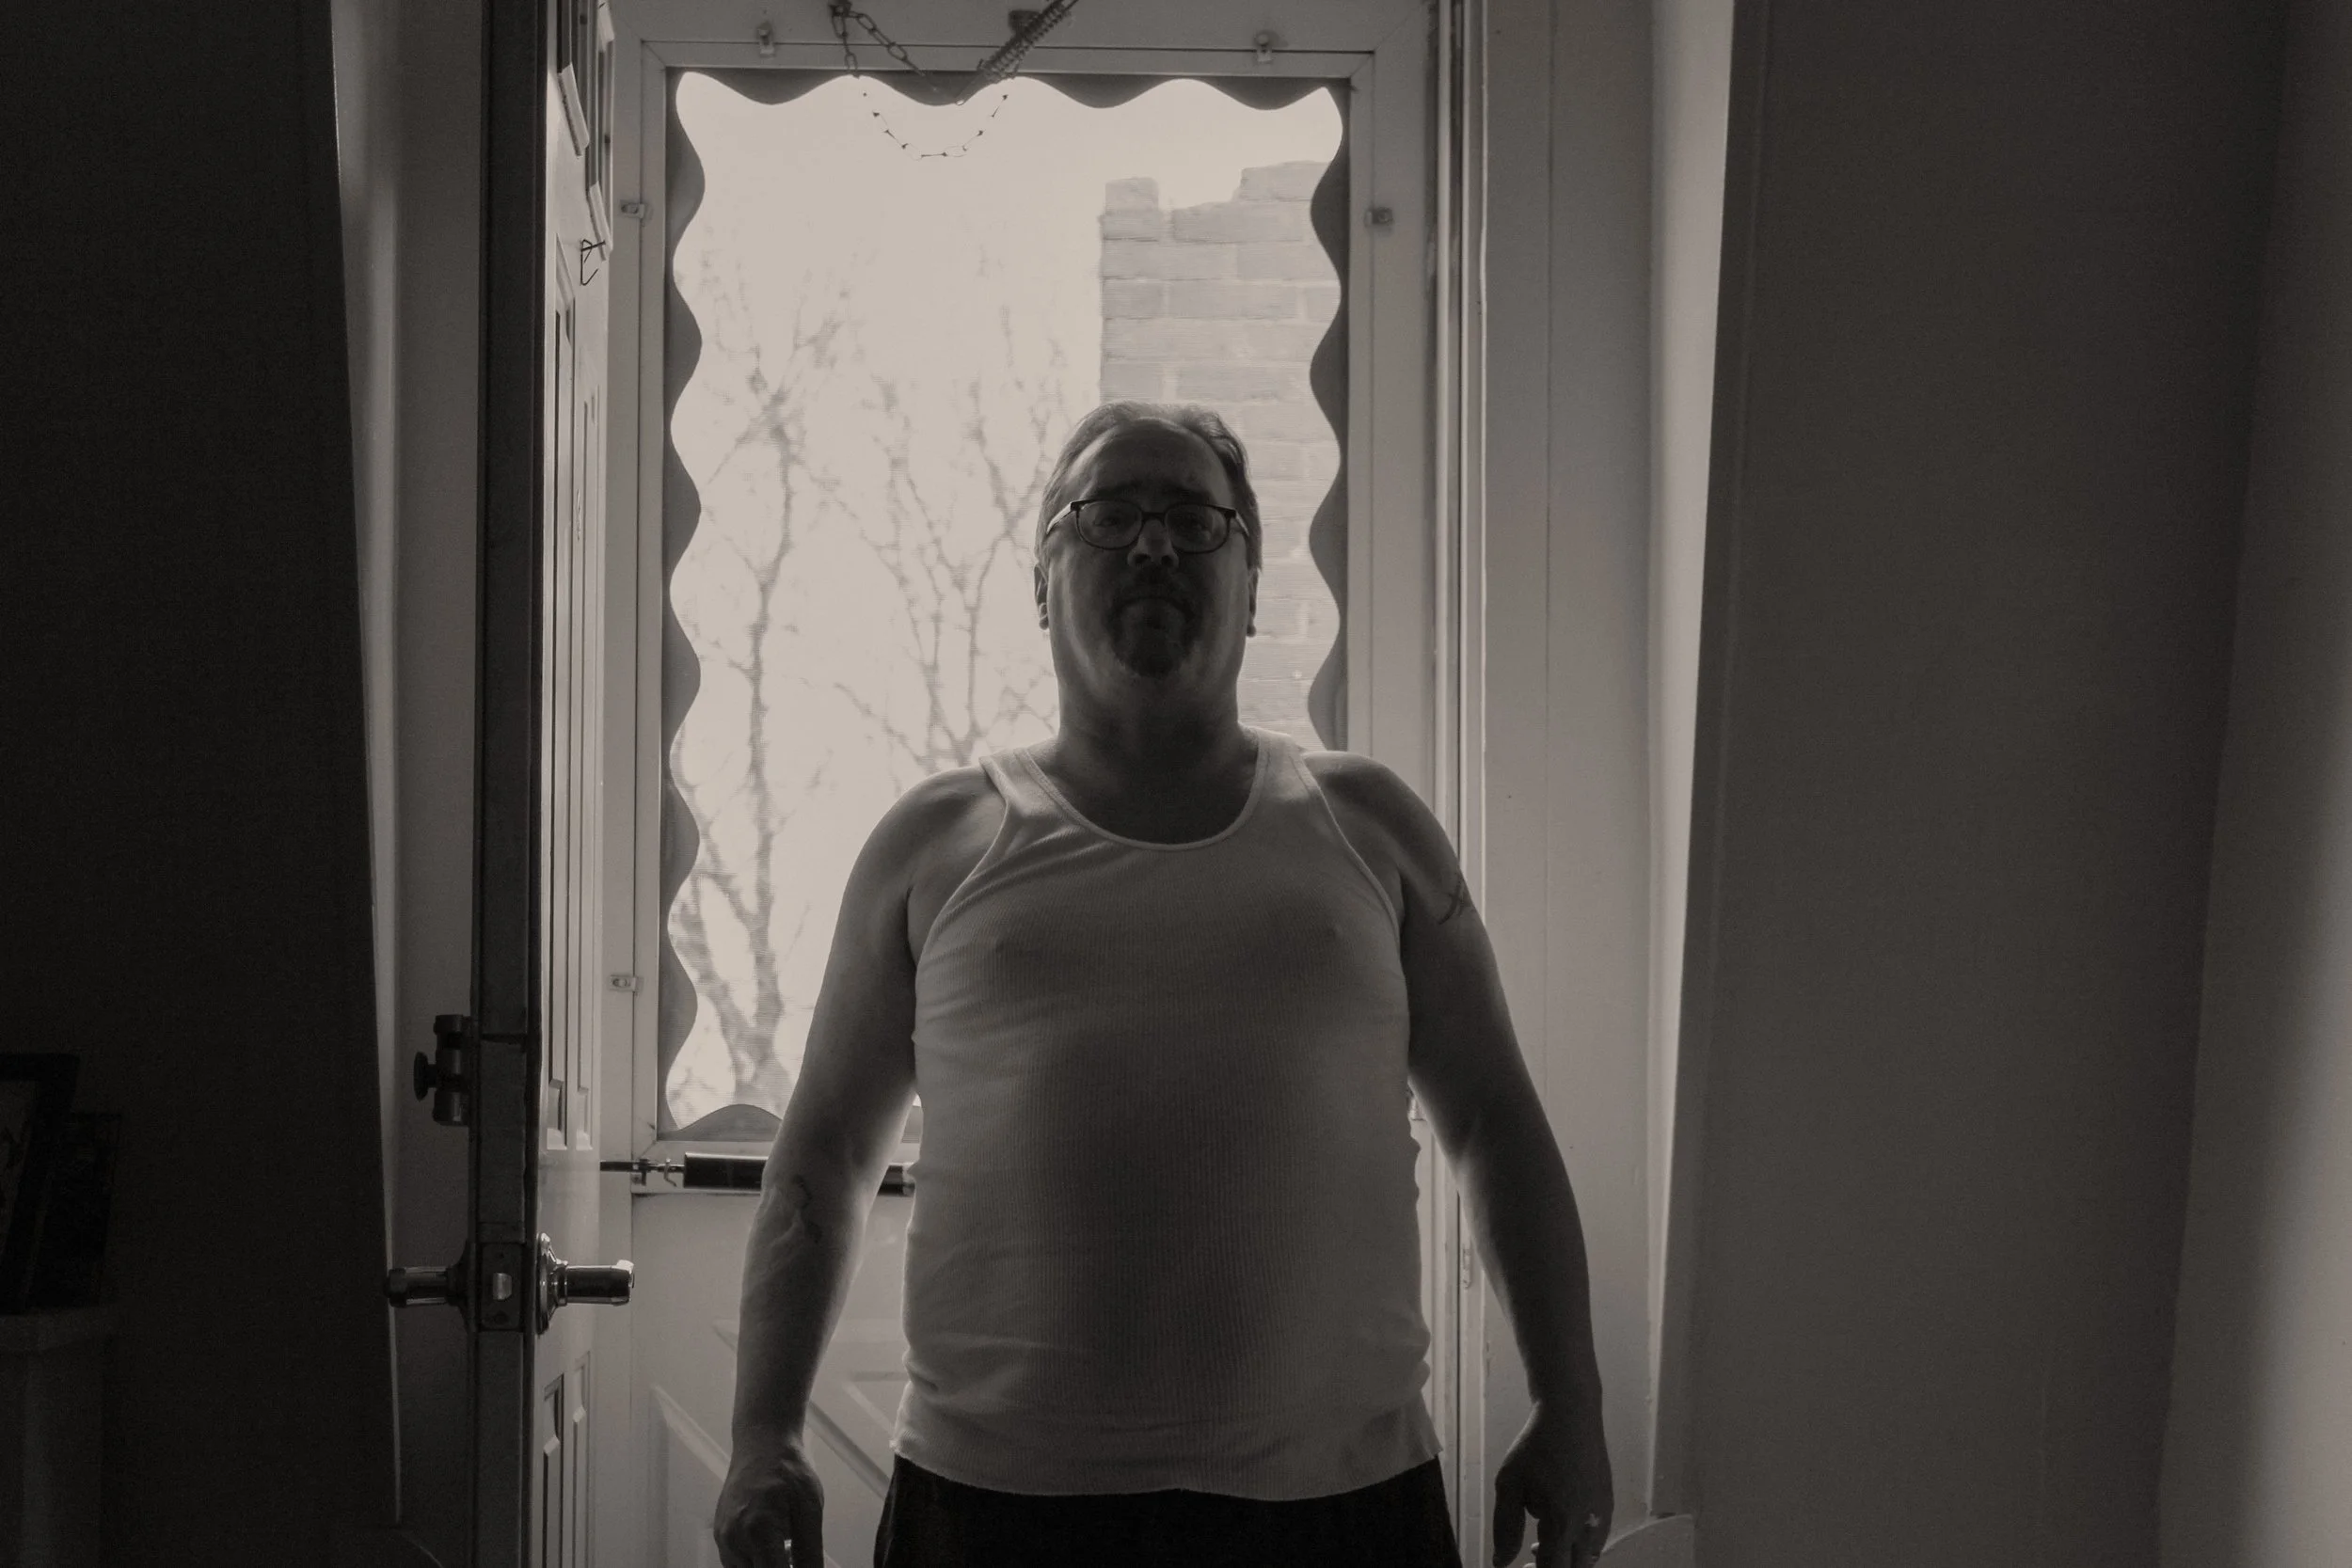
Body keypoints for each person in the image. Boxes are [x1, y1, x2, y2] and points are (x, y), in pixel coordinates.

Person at [713, 403, 1613, 1568]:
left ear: (1249, 586)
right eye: (1109, 515)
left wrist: (1570, 1406)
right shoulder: (933, 843)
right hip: (996, 1512)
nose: (1151, 546)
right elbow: (822, 1157)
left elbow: (1496, 1125)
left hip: (1342, 1509)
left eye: (1194, 519)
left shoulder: (1373, 827)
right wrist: (760, 1432)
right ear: (1042, 582)